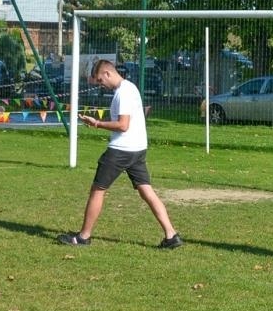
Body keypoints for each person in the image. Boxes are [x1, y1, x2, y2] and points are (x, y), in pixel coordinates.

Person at [58, 59, 182, 249]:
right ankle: (171, 235)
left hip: (122, 150)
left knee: (98, 190)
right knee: (146, 190)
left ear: (108, 73)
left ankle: (83, 237)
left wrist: (96, 124)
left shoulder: (122, 93)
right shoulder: (130, 88)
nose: (101, 85)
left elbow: (123, 125)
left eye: (100, 80)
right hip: (138, 148)